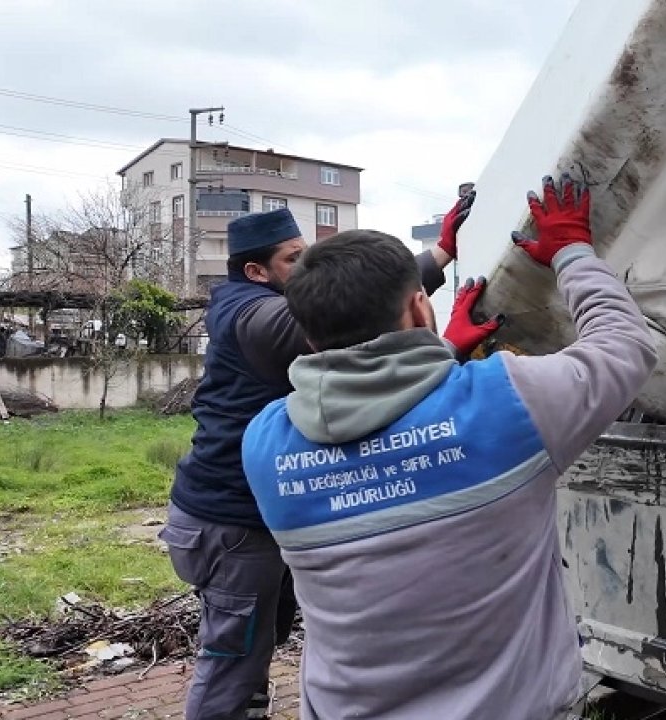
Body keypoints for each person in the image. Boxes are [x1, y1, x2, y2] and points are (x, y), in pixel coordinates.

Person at [240, 175, 657, 720]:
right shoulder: (508, 404)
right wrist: (572, 252)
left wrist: (441, 352)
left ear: (310, 335)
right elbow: (625, 345)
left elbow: (380, 426)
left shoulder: (266, 446)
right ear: (420, 308)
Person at [159, 195, 484, 720]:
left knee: (256, 645)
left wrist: (439, 254)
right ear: (255, 271)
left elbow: (354, 302)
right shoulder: (252, 316)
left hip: (246, 516)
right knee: (230, 665)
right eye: (294, 258)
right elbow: (350, 311)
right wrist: (443, 345)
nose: (308, 265)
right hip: (230, 524)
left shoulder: (255, 302)